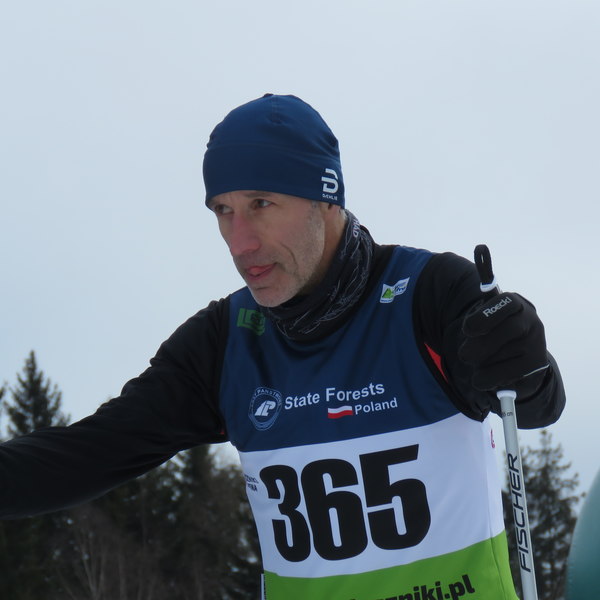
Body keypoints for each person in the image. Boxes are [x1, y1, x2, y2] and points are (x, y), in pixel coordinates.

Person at [0, 94, 565, 600]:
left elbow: (533, 402)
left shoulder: (427, 295)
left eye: (261, 204)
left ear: (327, 199)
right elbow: (92, 452)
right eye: (223, 211)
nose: (240, 242)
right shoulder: (226, 342)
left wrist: (521, 357)